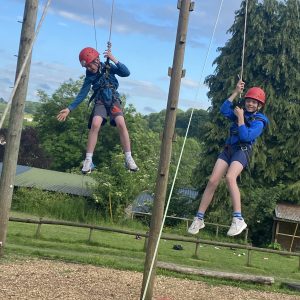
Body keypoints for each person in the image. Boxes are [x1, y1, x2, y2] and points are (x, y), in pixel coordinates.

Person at [188, 80, 269, 236]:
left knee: (231, 178)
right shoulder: (242, 112)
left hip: (242, 151)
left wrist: (239, 118)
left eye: (254, 102)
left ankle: (238, 218)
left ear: (259, 106)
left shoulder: (259, 121)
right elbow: (224, 109)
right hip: (228, 149)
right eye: (249, 101)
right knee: (212, 181)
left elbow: (246, 137)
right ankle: (199, 218)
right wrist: (235, 92)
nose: (250, 104)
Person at [57, 47, 138, 174]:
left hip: (113, 98)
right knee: (95, 124)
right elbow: (82, 94)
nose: (88, 69)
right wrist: (69, 109)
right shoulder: (89, 76)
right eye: (86, 67)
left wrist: (114, 59)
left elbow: (126, 73)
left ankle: (128, 158)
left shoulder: (108, 67)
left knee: (121, 123)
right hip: (100, 100)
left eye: (89, 66)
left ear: (97, 60)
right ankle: (88, 160)